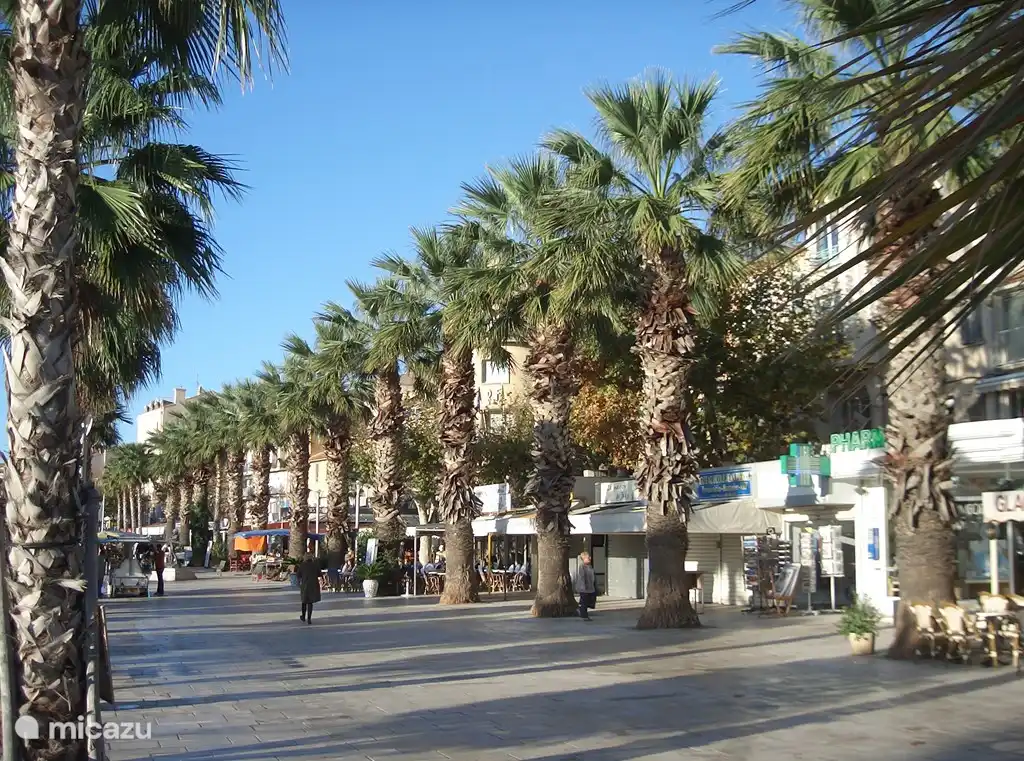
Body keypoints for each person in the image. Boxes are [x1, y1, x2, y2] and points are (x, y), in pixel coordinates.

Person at [297, 552, 321, 624]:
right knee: (310, 602)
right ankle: (309, 618)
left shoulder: (302, 565)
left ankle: (303, 616)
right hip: (313, 585)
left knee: (304, 601)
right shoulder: (315, 565)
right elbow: (319, 574)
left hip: (305, 584)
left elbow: (298, 575)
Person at [575, 552, 596, 621]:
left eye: (590, 557)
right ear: (583, 559)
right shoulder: (582, 566)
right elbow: (582, 577)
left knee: (590, 601)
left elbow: (592, 576)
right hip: (584, 587)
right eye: (588, 557)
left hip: (590, 587)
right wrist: (583, 586)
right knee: (585, 601)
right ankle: (584, 616)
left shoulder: (590, 566)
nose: (590, 558)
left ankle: (580, 610)